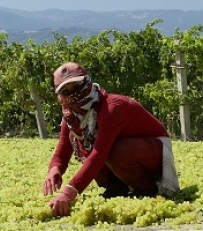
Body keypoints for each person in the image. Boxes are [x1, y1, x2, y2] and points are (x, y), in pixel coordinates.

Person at [42, 62, 180, 217]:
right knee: (82, 143)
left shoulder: (112, 107)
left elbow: (99, 154)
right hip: (125, 151)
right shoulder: (72, 116)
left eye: (76, 85)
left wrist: (68, 193)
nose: (73, 92)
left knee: (113, 151)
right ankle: (116, 188)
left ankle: (148, 188)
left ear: (86, 82)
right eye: (66, 90)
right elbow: (63, 149)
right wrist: (55, 169)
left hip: (153, 150)